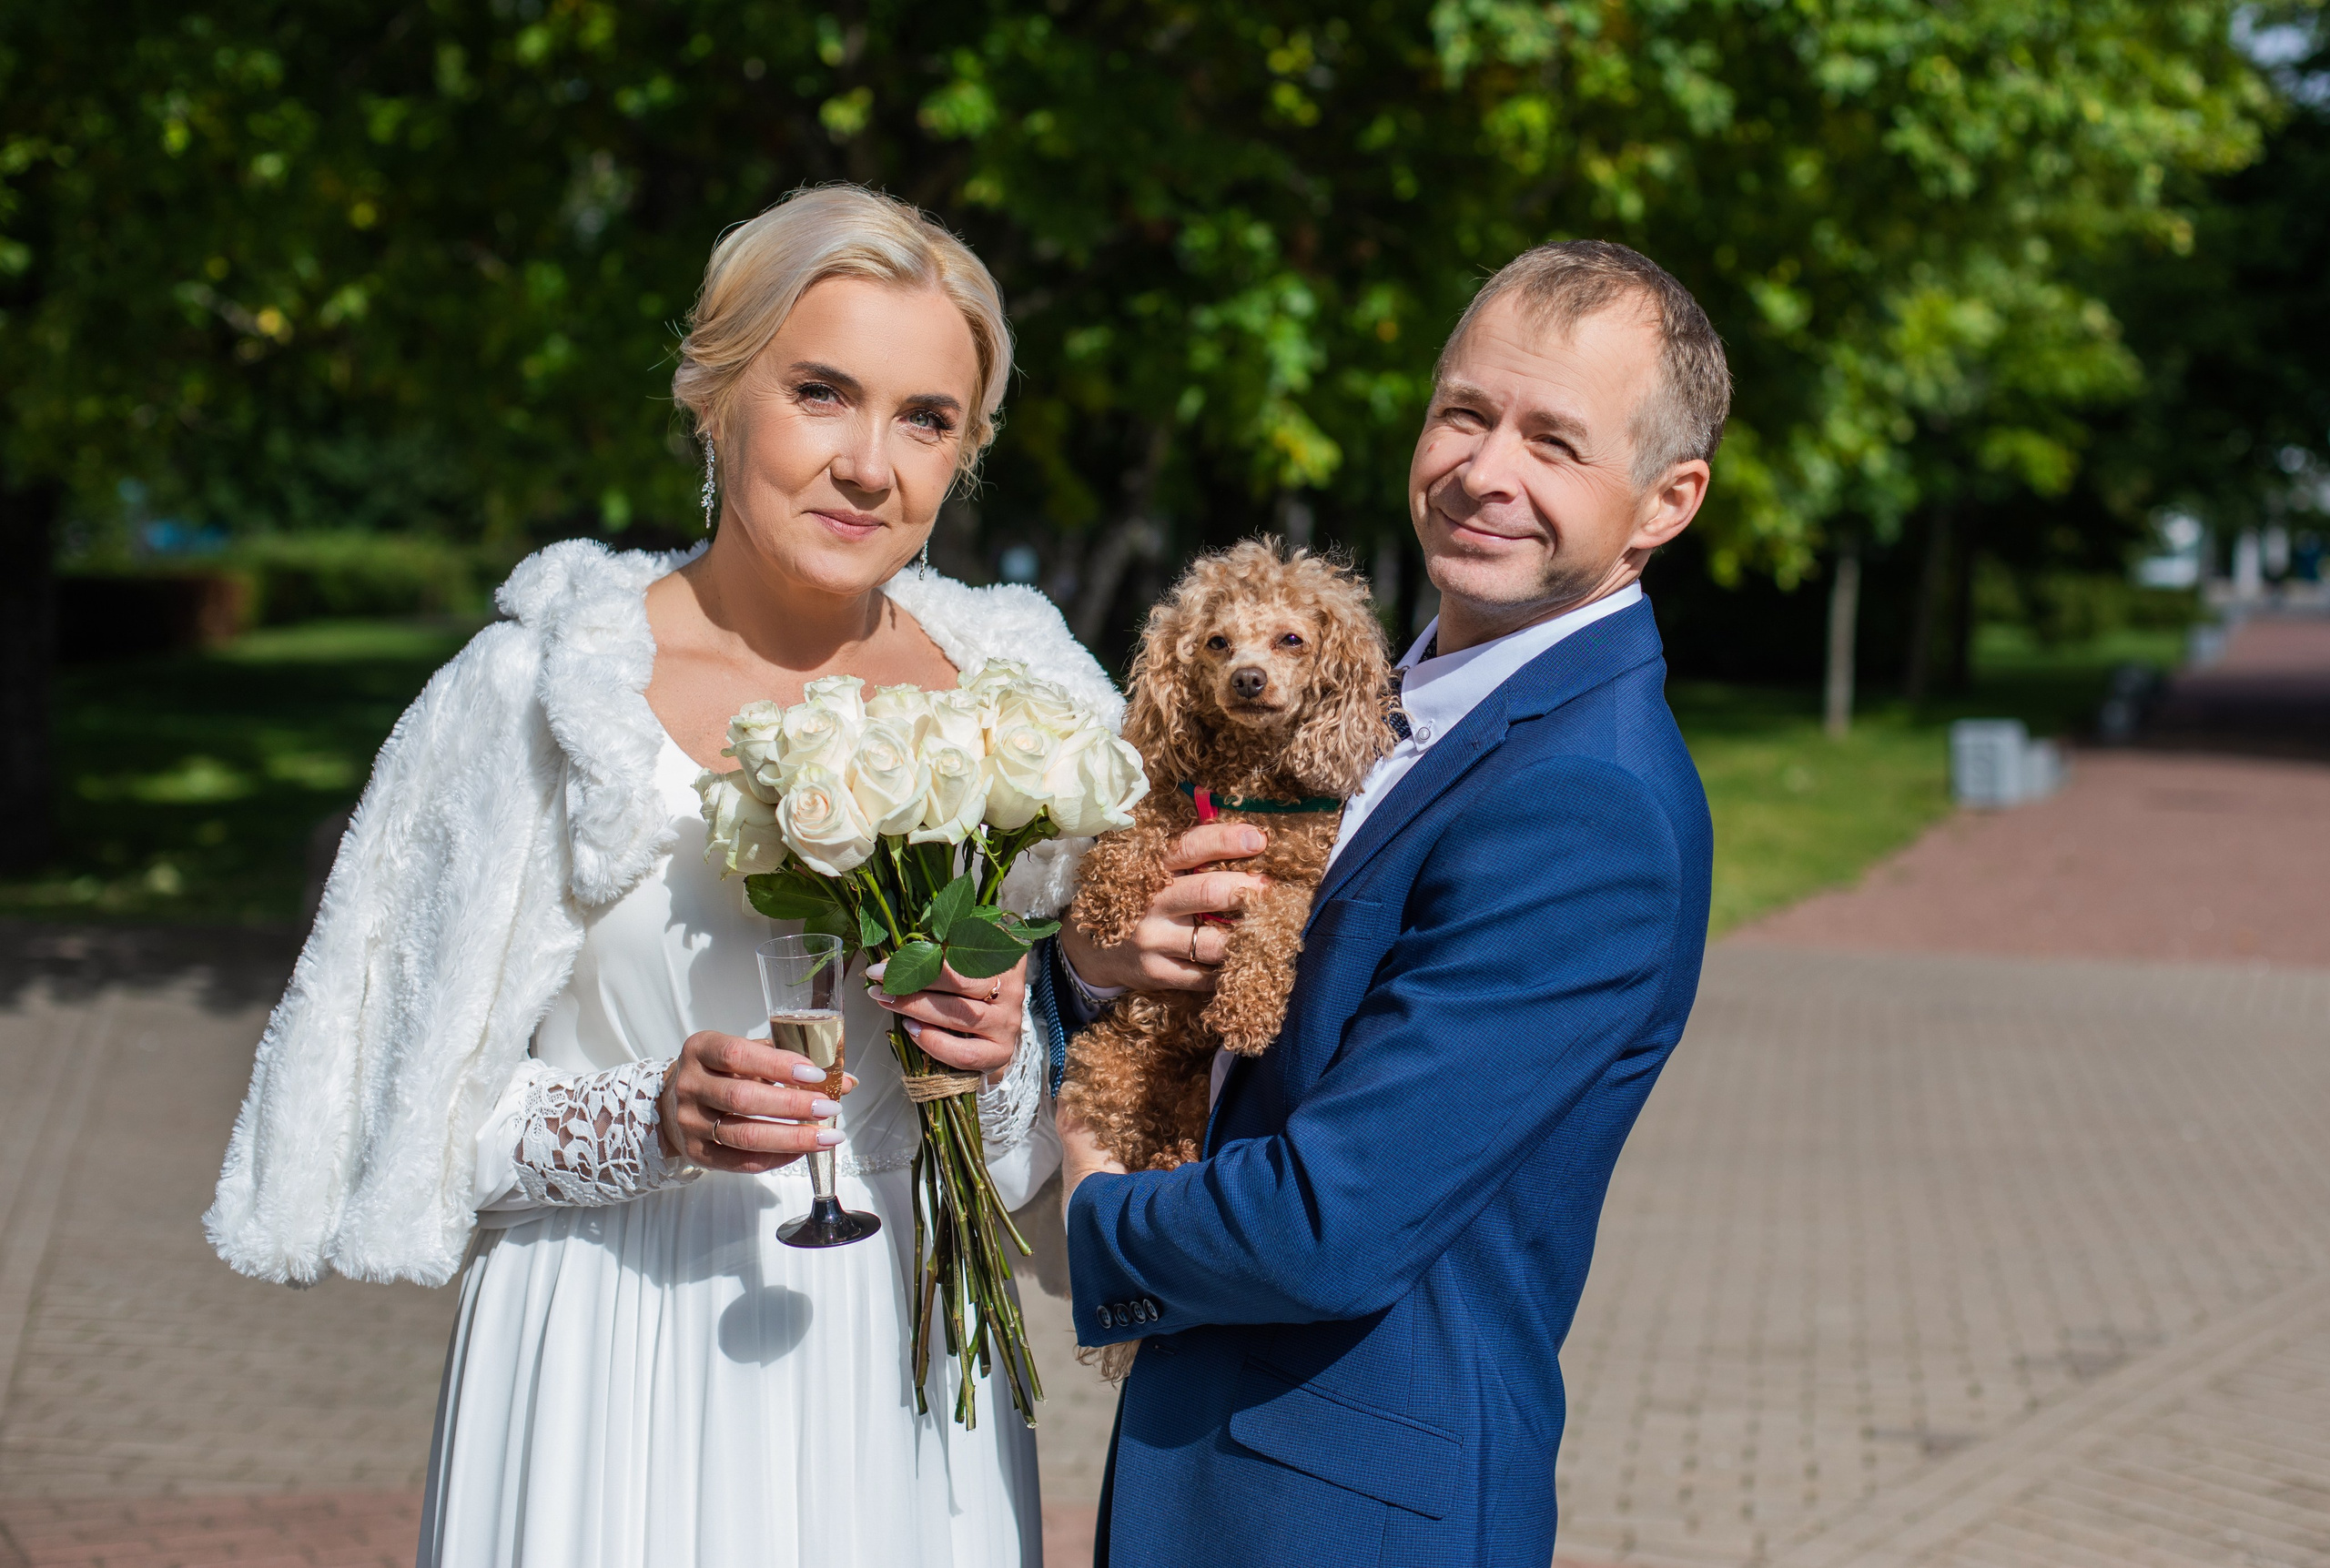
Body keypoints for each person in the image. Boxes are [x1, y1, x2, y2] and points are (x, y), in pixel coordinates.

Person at [206, 185, 1122, 1567]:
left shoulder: (1025, 716)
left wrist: (991, 1061)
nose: (869, 463)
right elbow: (412, 1112)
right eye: (821, 392)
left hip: (905, 1372)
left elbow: (1015, 1168)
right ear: (716, 395)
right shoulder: (537, 694)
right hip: (611, 1354)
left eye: (925, 418)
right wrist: (646, 1116)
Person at [1055, 240, 1727, 1567]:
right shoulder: (1356, 713)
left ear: (1665, 502)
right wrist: (1096, 960)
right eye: (1466, 412)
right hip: (1213, 1475)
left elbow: (1331, 1225)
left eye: (1556, 442)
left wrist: (1094, 1216)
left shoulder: (1595, 801)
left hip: (1338, 1512)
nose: (1487, 471)